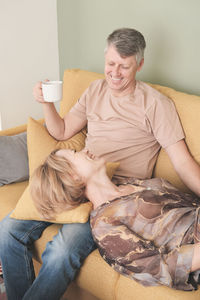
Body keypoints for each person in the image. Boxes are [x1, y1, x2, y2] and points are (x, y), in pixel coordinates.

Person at [0, 27, 200, 299]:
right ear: (105, 57)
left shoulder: (155, 104)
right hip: (78, 178)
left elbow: (183, 162)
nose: (115, 73)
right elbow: (61, 132)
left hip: (113, 192)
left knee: (62, 251)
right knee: (8, 229)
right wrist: (46, 102)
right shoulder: (95, 90)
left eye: (124, 67)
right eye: (111, 63)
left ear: (139, 65)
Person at [30, 148, 200, 291]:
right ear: (72, 175)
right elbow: (159, 268)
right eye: (75, 152)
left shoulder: (131, 183)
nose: (85, 150)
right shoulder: (105, 225)